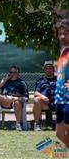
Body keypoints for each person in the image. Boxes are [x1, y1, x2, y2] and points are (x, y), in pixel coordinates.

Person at [0, 65, 29, 131]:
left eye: (14, 72)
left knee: (17, 102)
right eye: (10, 72)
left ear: (18, 74)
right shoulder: (5, 81)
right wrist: (5, 80)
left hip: (15, 104)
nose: (11, 74)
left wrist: (19, 95)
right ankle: (16, 98)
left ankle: (18, 124)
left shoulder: (22, 83)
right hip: (5, 102)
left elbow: (26, 97)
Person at [53, 19, 69, 148]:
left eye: (66, 33)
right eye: (60, 33)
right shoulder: (63, 50)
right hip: (60, 98)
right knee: (59, 134)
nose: (62, 36)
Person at [33, 60, 57, 131]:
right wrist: (42, 97)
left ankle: (61, 124)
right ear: (44, 70)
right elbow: (36, 92)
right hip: (45, 103)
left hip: (57, 102)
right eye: (46, 68)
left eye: (50, 68)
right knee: (36, 100)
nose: (48, 70)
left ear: (53, 69)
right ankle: (37, 124)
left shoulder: (59, 79)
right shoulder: (40, 80)